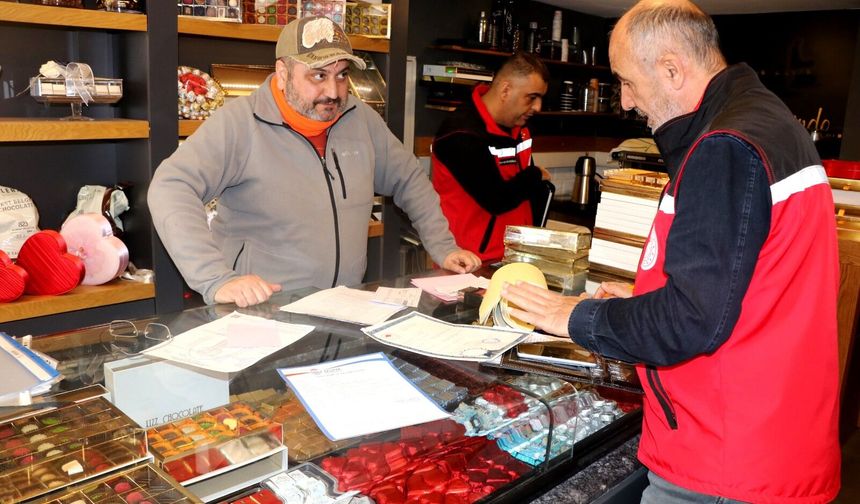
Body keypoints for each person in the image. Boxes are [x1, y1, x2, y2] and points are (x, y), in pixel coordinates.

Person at [501, 1, 841, 502]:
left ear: (672, 69)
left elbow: (689, 321)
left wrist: (576, 316)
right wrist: (648, 292)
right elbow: (749, 277)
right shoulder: (765, 123)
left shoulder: (725, 146)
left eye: (627, 80)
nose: (627, 99)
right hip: (773, 434)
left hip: (726, 460)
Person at [148, 16, 480, 307]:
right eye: (318, 76)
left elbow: (409, 179)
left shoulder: (360, 119)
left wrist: (443, 247)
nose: (334, 92)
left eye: (342, 75)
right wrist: (215, 278)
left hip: (343, 308)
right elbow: (172, 186)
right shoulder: (240, 123)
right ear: (283, 72)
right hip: (263, 312)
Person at [431, 52, 554, 263]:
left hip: (515, 256)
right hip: (469, 263)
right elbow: (497, 198)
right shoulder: (461, 133)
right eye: (532, 97)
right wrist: (535, 175)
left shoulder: (520, 128)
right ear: (506, 90)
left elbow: (522, 193)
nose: (537, 107)